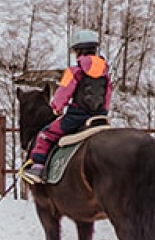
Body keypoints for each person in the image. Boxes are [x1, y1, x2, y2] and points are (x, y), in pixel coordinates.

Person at [24, 29, 111, 179]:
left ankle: (38, 167)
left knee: (46, 134)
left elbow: (64, 91)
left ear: (78, 51)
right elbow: (107, 95)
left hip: (77, 116)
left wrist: (56, 108)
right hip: (99, 117)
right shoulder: (105, 73)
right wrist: (103, 112)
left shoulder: (74, 71)